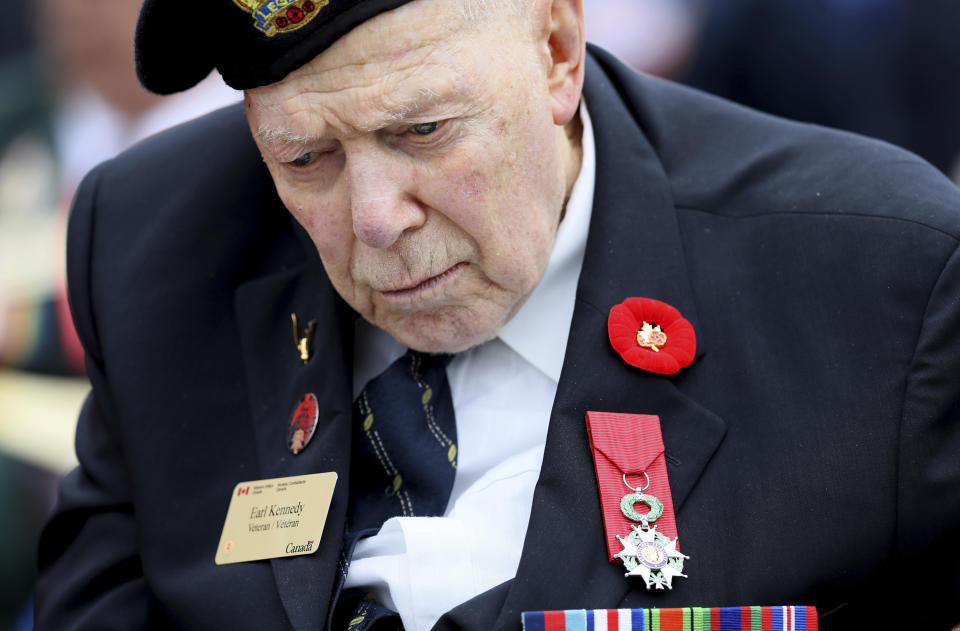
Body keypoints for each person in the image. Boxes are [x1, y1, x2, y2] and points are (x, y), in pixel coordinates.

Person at [34, 0, 960, 629]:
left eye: (421, 131)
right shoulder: (155, 247)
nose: (375, 218)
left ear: (556, 51)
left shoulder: (873, 288)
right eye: (305, 157)